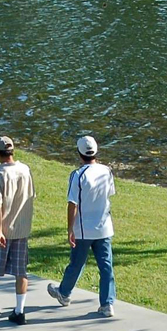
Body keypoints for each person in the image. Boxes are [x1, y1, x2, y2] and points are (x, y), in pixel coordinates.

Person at [47, 135, 117, 317]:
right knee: (106, 266)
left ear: (79, 153)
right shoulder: (106, 171)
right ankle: (107, 303)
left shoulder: (78, 175)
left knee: (77, 263)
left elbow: (73, 204)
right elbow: (109, 194)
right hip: (103, 228)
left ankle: (64, 293)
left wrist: (70, 228)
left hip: (83, 229)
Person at [0, 135, 36, 325]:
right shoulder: (25, 170)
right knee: (21, 271)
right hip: (21, 230)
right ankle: (19, 311)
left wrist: (0, 231)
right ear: (12, 152)